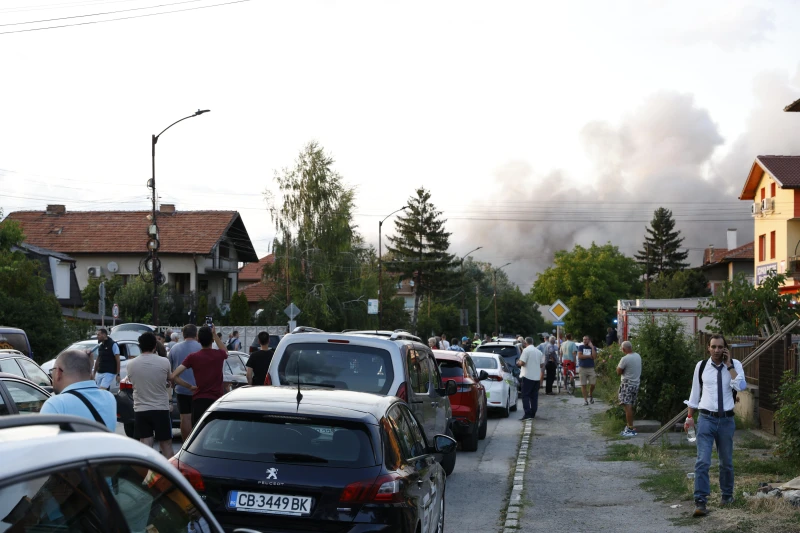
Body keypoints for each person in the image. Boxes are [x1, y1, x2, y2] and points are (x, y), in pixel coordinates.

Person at [685, 334, 746, 517]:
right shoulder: (701, 366)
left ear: (725, 348)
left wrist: (729, 366)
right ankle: (701, 501)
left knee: (726, 462)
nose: (717, 350)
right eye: (714, 347)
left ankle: (727, 496)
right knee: (702, 461)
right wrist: (689, 417)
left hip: (726, 420)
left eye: (721, 347)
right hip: (706, 419)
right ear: (708, 348)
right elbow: (695, 393)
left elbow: (742, 386)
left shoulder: (735, 365)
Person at [41, 349, 116, 430]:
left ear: (58, 372)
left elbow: (42, 441)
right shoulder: (109, 398)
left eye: (53, 370)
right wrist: (88, 366)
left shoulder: (55, 404)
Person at [126, 332, 173, 458]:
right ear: (155, 346)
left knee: (145, 444)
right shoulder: (164, 362)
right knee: (166, 444)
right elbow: (169, 380)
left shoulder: (131, 364)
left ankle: (147, 475)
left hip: (141, 409)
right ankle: (170, 475)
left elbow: (133, 382)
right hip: (161, 408)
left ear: (140, 347)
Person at [171, 324, 229, 427]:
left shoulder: (193, 357)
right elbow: (225, 352)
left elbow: (174, 376)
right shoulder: (219, 355)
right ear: (212, 340)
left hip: (199, 400)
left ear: (198, 340)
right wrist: (215, 335)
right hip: (216, 401)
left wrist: (189, 386)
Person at [168, 324, 202, 440]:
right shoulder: (202, 347)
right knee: (199, 419)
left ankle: (185, 444)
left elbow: (171, 370)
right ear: (196, 334)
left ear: (183, 335)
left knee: (185, 418)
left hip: (181, 389)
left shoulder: (174, 348)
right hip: (199, 389)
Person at [616, 341, 642, 437]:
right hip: (636, 384)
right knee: (630, 405)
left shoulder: (625, 359)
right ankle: (630, 426)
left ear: (623, 349)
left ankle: (630, 428)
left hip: (627, 384)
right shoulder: (638, 356)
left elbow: (618, 371)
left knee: (627, 406)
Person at [517, 337, 544, 420]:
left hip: (527, 376)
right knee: (534, 396)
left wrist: (518, 362)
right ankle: (533, 413)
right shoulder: (539, 352)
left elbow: (522, 362)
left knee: (525, 396)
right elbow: (541, 365)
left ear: (525, 343)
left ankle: (527, 414)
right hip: (536, 377)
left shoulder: (526, 351)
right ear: (532, 342)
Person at [577, 335, 597, 405]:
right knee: (583, 384)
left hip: (591, 368)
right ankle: (585, 400)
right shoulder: (581, 347)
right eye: (583, 339)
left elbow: (594, 357)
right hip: (582, 368)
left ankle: (590, 393)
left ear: (589, 340)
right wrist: (588, 356)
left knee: (593, 384)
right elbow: (580, 356)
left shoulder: (593, 348)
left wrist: (592, 347)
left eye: (586, 339)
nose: (584, 341)